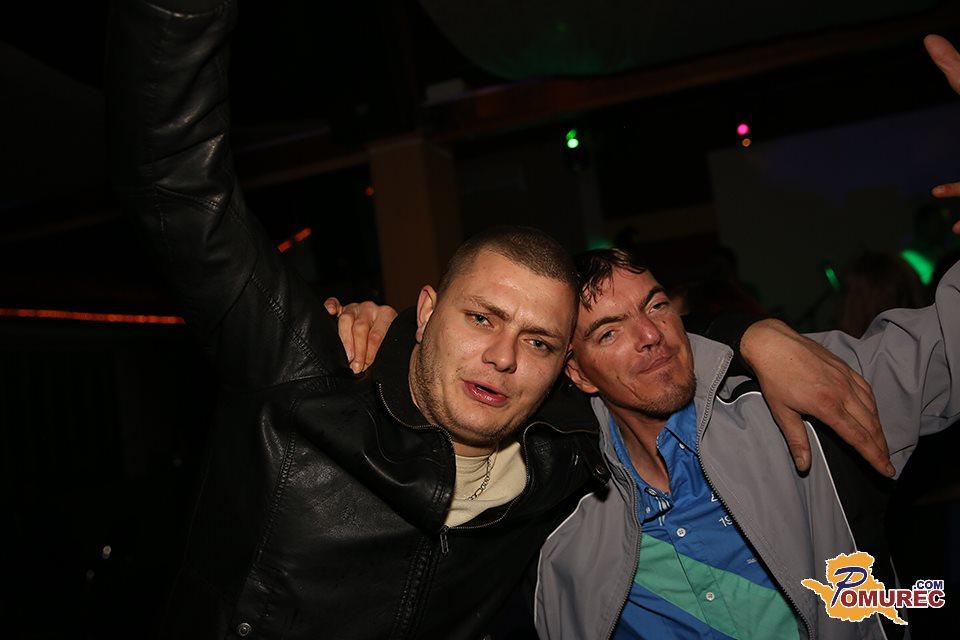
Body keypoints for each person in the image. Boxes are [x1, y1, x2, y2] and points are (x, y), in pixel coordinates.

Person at [106, 1, 890, 637]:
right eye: (482, 318)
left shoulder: (562, 460)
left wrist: (753, 337)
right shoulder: (305, 370)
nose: (504, 357)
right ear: (426, 310)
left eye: (539, 342)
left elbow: (642, 352)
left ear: (562, 367)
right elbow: (177, 182)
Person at [533, 36, 960, 640]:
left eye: (656, 304)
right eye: (609, 331)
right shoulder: (553, 493)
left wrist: (750, 337)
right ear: (575, 370)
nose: (651, 334)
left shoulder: (793, 397)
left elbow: (944, 350)